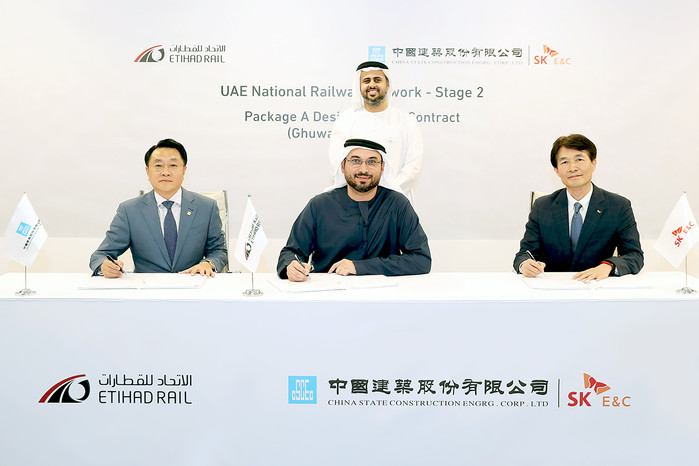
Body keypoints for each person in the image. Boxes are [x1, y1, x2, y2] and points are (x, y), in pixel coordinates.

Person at [278, 138, 431, 281]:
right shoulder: (319, 205)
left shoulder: (397, 205)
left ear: (382, 167)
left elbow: (421, 259)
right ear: (343, 166)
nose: (363, 169)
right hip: (329, 293)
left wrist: (359, 267)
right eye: (356, 161)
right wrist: (291, 266)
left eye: (372, 162)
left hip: (382, 294)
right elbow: (291, 252)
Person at [89, 138, 227, 278]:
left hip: (193, 283)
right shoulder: (129, 210)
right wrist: (104, 265)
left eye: (173, 165)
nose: (165, 172)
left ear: (184, 170)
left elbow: (219, 251)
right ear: (147, 171)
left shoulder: (206, 207)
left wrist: (208, 263)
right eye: (158, 165)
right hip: (147, 288)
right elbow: (100, 256)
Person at [514, 134, 643, 281]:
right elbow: (524, 254)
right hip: (554, 287)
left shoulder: (618, 206)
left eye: (579, 160)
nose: (572, 168)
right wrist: (525, 264)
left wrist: (608, 266)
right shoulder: (542, 207)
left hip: (598, 287)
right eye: (564, 162)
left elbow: (634, 256)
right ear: (556, 170)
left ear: (593, 163)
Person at [328, 61, 423, 202]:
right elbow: (337, 164)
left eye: (377, 80)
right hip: (353, 201)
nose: (372, 85)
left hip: (394, 202)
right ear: (359, 86)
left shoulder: (406, 121)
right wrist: (359, 194)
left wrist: (387, 197)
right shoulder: (345, 120)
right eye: (366, 81)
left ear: (388, 84)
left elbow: (412, 167)